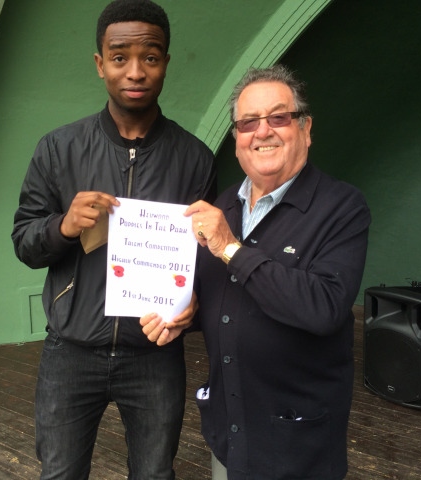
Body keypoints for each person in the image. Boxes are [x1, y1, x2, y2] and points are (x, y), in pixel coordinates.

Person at [11, 1, 217, 478]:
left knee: (153, 473)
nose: (136, 71)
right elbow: (23, 242)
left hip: (155, 357)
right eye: (120, 56)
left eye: (151, 56)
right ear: (100, 63)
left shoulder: (195, 158)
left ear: (166, 62)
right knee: (60, 473)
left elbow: (204, 259)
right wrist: (63, 225)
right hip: (71, 351)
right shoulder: (58, 149)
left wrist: (193, 306)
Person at [141, 64, 371, 479]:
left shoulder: (342, 207)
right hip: (229, 432)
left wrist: (231, 247)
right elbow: (220, 297)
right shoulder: (224, 206)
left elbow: (324, 308)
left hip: (298, 445)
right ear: (236, 139)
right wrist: (185, 314)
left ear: (306, 128)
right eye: (248, 122)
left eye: (278, 117)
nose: (262, 131)